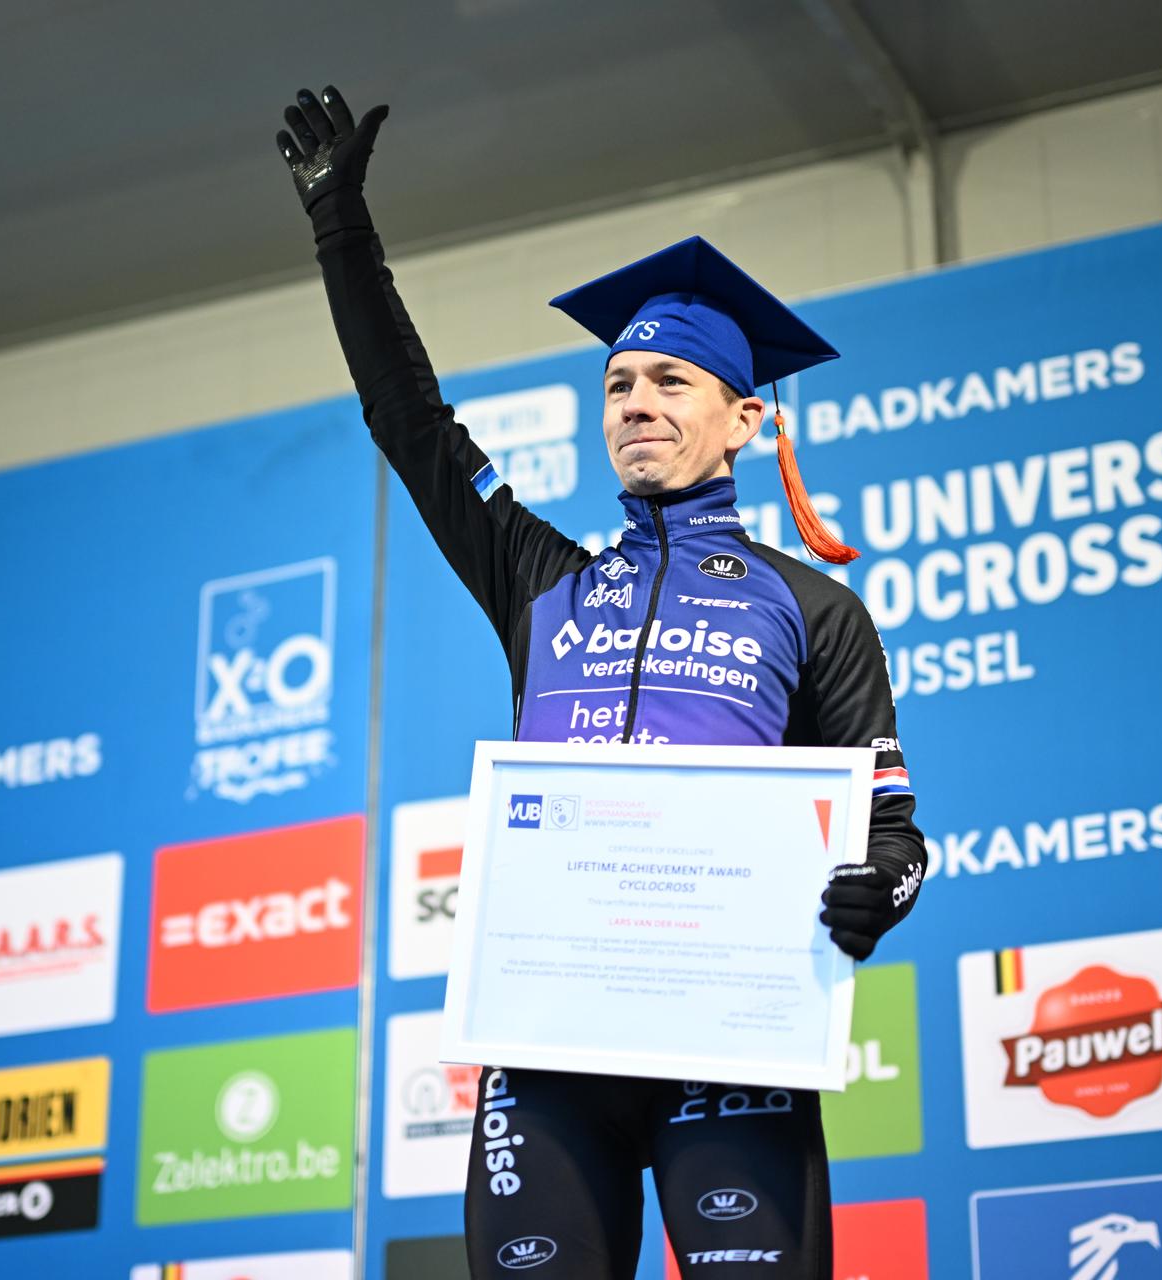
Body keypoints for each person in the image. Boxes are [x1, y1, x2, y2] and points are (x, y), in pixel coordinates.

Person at [277, 86, 926, 1280]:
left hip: (730, 1042)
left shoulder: (814, 608)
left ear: (743, 418)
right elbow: (409, 422)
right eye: (620, 385)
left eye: (671, 384)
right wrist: (339, 228)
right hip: (549, 1047)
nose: (636, 405)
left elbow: (895, 829)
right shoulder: (543, 581)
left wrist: (877, 890)